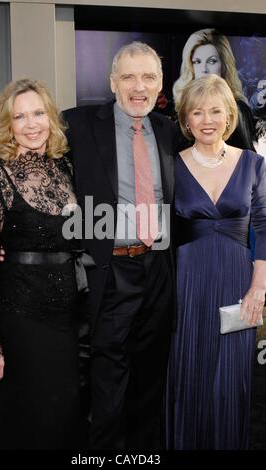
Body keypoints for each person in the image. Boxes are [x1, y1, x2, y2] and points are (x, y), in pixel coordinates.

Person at [62, 41, 177, 450]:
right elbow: (38, 183)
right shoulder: (75, 125)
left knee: (149, 377)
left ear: (161, 83)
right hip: (109, 271)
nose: (138, 86)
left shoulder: (167, 130)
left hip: (159, 270)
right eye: (128, 76)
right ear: (112, 82)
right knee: (108, 382)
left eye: (148, 77)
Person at [0, 78, 89, 449]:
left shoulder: (66, 171)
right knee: (30, 419)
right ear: (8, 126)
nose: (32, 123)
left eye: (38, 113)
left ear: (51, 118)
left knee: (64, 413)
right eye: (20, 117)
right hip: (21, 317)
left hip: (68, 317)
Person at [165, 74, 266, 450]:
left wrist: (259, 287)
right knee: (188, 371)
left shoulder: (253, 164)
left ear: (229, 117)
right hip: (186, 283)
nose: (207, 119)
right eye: (197, 112)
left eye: (215, 111)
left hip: (239, 281)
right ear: (186, 121)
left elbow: (265, 227)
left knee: (230, 381)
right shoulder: (171, 166)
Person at [173, 28, 255, 151]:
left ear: (224, 65)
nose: (204, 69)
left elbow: (248, 164)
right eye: (197, 62)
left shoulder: (239, 110)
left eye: (211, 61)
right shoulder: (181, 108)